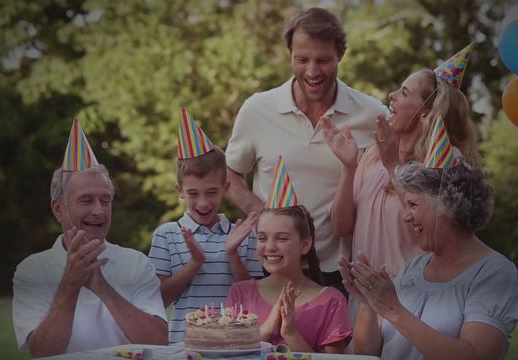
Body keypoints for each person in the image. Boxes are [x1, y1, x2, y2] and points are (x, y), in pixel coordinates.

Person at [225, 7, 388, 291]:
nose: (312, 71)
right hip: (268, 267)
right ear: (289, 54)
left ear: (341, 54)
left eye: (323, 60)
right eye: (301, 59)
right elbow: (228, 174)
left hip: (339, 272)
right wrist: (263, 212)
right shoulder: (257, 109)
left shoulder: (371, 114)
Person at [322, 44, 481, 280]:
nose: (391, 95)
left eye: (404, 93)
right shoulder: (372, 156)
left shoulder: (447, 161)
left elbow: (439, 229)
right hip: (365, 296)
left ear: (425, 112)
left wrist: (392, 166)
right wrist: (349, 166)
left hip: (413, 296)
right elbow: (341, 227)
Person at [339, 162, 518, 359]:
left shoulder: (494, 273)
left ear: (448, 206)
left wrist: (393, 309)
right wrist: (369, 301)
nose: (405, 217)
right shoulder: (413, 268)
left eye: (413, 205)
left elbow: (476, 355)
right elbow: (366, 352)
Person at [12, 121, 167, 358]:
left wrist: (103, 288)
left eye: (105, 201)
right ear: (58, 209)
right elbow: (42, 352)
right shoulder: (31, 271)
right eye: (86, 200)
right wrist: (71, 282)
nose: (99, 211)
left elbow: (159, 340)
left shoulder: (136, 263)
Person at [148, 108, 263, 344]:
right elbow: (158, 300)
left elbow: (254, 299)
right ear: (179, 191)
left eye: (211, 192)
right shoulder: (166, 235)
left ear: (226, 187)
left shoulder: (244, 235)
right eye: (193, 193)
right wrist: (195, 263)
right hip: (184, 345)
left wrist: (232, 253)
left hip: (235, 345)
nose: (202, 203)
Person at [226, 205, 351, 353]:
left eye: (282, 238)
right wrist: (265, 331)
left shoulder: (331, 300)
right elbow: (226, 352)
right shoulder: (240, 292)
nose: (270, 246)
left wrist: (291, 334)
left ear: (305, 245)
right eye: (262, 238)